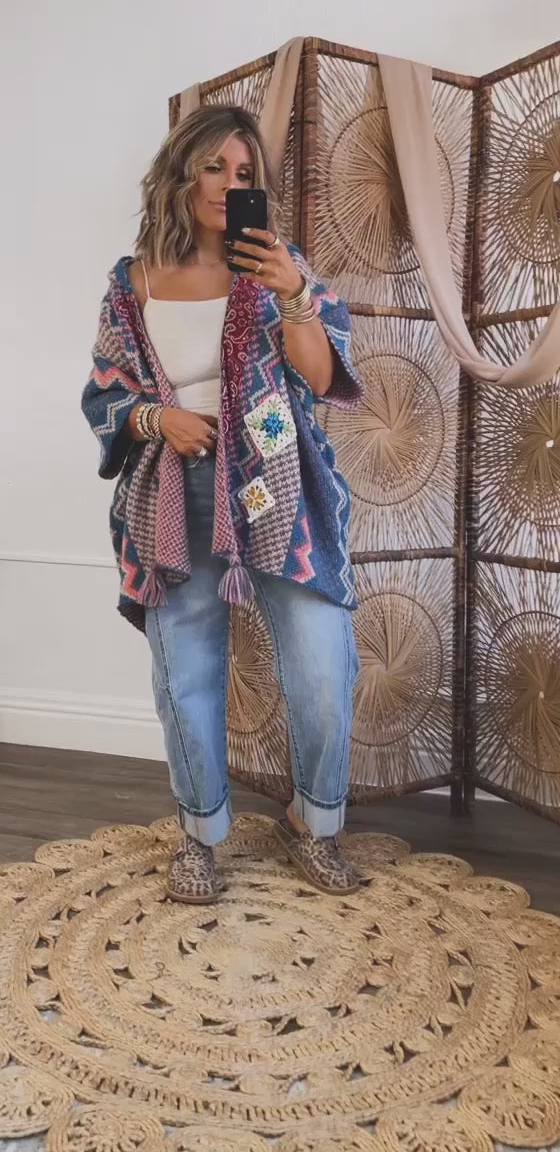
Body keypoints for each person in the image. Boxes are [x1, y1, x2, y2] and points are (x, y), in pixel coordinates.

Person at [82, 105, 364, 905]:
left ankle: (315, 823)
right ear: (181, 173)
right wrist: (156, 419)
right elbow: (104, 392)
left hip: (277, 487)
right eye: (214, 167)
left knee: (323, 662)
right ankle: (200, 833)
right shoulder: (133, 283)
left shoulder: (277, 265)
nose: (227, 185)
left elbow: (320, 378)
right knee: (187, 673)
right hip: (176, 492)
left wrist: (295, 295)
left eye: (244, 174)